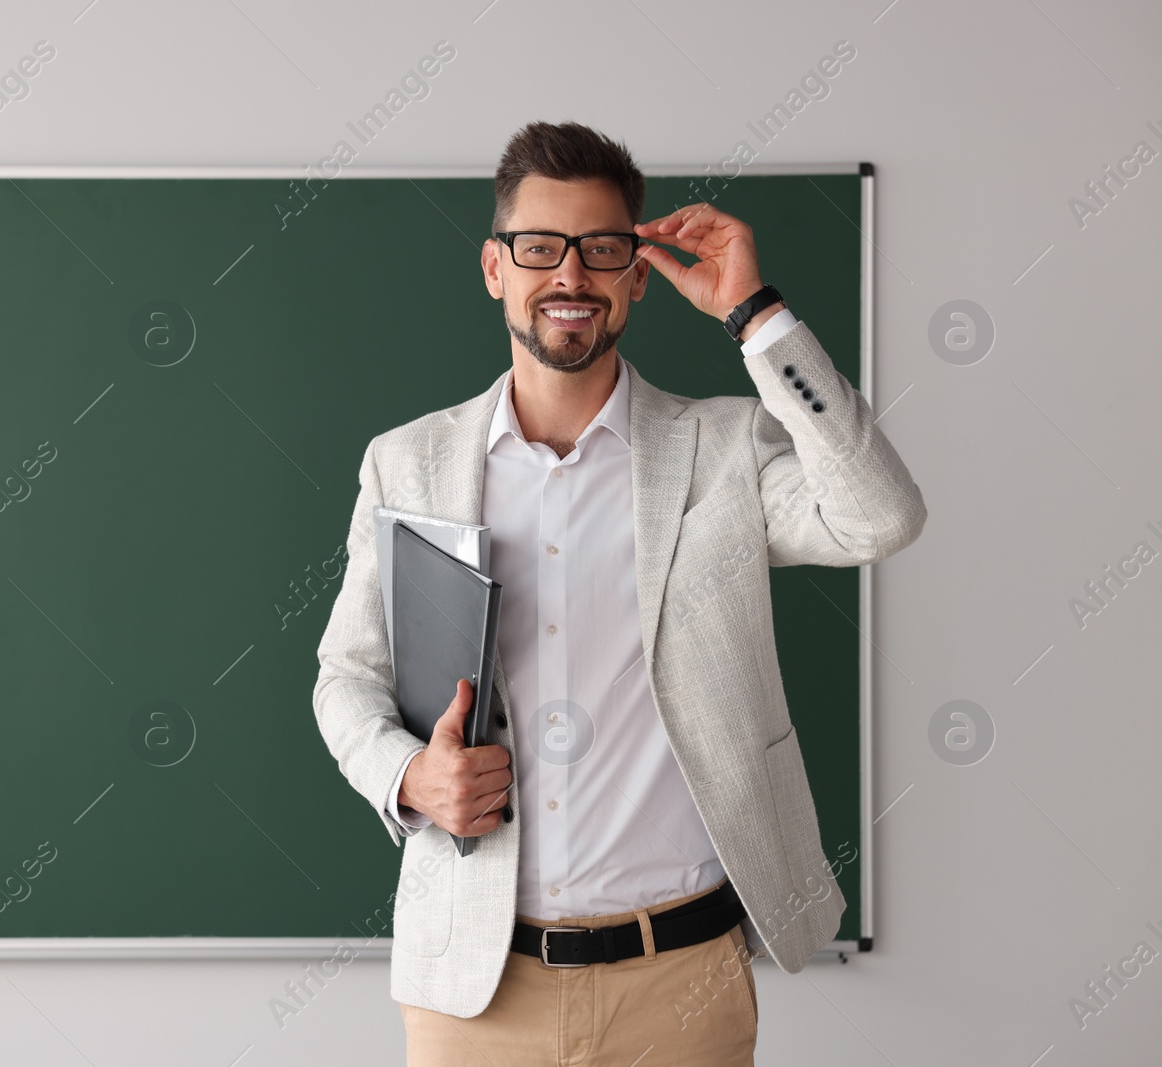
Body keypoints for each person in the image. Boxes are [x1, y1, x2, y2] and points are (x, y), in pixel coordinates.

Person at [311, 120, 925, 1065]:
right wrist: (409, 776)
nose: (569, 276)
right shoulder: (408, 464)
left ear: (639, 274)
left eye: (602, 250)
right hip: (476, 988)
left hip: (681, 981)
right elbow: (345, 678)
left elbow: (881, 516)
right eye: (539, 249)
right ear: (494, 269)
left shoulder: (723, 451)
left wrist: (757, 314)